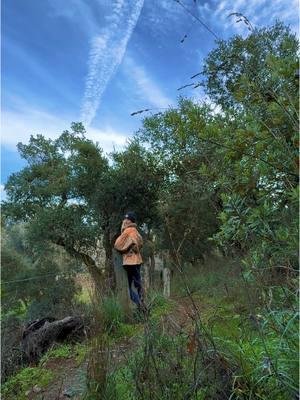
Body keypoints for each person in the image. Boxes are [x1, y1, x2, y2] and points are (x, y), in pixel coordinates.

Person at [114, 212, 144, 306]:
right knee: (138, 284)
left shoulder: (128, 231)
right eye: (125, 219)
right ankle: (142, 304)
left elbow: (117, 245)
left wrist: (126, 246)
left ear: (131, 221)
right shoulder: (135, 231)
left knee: (127, 287)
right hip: (137, 260)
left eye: (127, 219)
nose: (125, 221)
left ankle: (140, 304)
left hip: (130, 261)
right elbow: (141, 243)